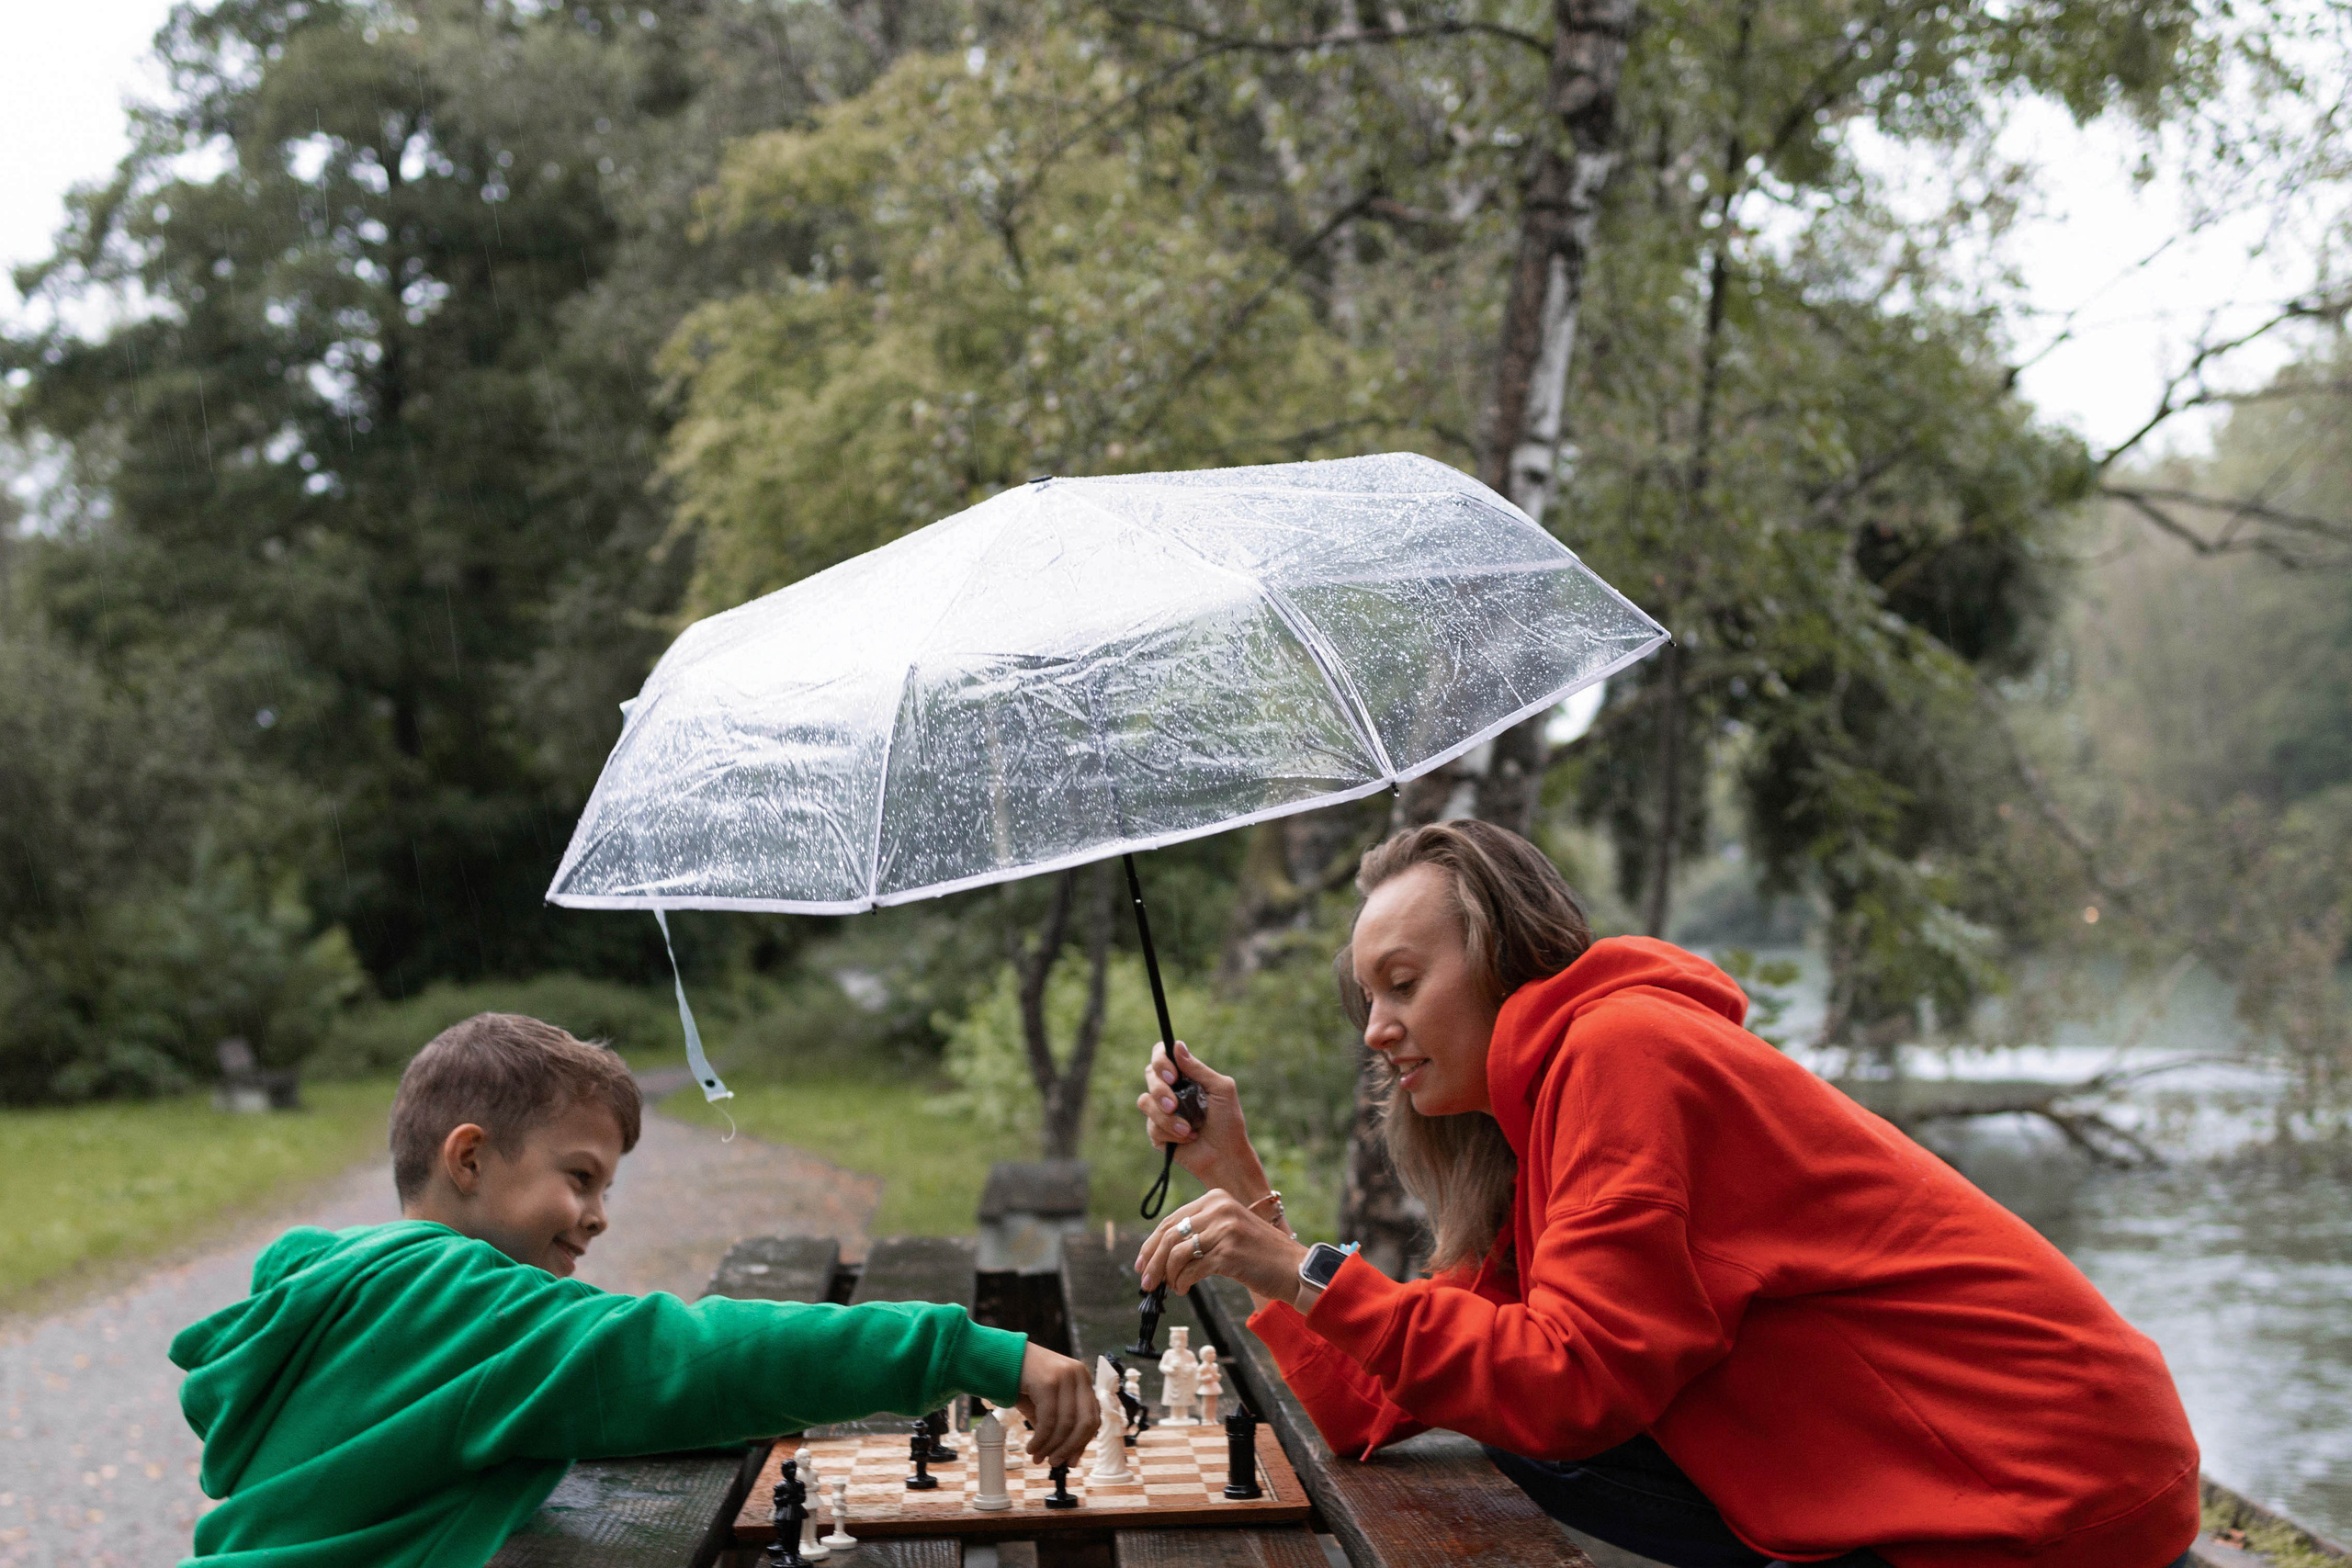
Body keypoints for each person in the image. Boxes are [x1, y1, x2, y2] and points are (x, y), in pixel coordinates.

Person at [1133, 822, 2199, 1568]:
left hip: (2051, 1488)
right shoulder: (1539, 1118)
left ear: (1504, 957)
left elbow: (1568, 1390)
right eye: (1366, 997)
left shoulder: (1625, 1054)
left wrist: (1299, 1270)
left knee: (1527, 1420)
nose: (1374, 1029)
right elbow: (1370, 1401)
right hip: (1976, 1476)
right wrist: (1243, 1190)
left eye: (1403, 984)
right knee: (1493, 1400)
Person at [171, 1012, 1097, 1567]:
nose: (598, 1214)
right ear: (468, 1157)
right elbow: (692, 1359)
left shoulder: (341, 1284)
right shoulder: (461, 1308)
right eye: (579, 1177)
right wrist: (968, 1349)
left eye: (606, 1188)